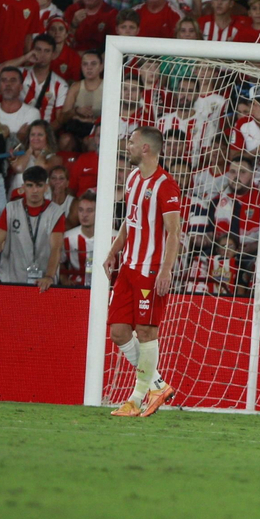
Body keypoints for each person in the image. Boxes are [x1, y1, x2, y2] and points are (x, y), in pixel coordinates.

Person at [103, 127, 181, 418]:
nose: (129, 146)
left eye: (132, 142)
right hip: (128, 268)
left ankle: (136, 399)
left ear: (146, 148)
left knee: (147, 332)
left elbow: (174, 232)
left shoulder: (166, 186)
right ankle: (159, 385)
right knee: (119, 331)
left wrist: (166, 270)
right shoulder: (133, 178)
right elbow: (130, 219)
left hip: (150, 270)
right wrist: (114, 250)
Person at [0, 165, 68, 292]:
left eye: (39, 185)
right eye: (30, 185)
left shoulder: (56, 212)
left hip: (43, 282)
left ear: (46, 187)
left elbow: (56, 248)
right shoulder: (11, 209)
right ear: (23, 188)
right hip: (11, 279)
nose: (34, 190)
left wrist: (49, 276)